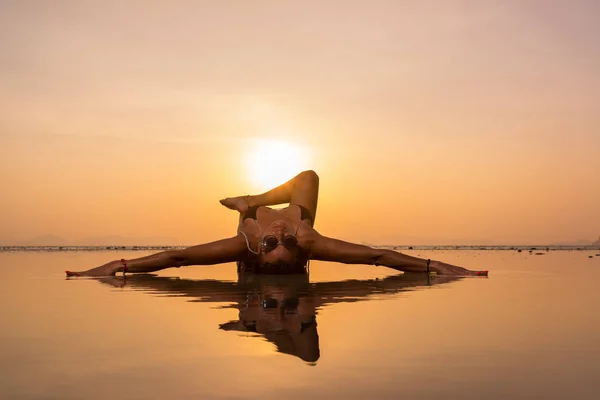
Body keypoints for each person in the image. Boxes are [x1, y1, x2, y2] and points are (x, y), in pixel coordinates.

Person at [65, 170, 488, 277]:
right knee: (308, 178)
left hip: (248, 215)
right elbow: (377, 256)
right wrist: (439, 268)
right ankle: (250, 199)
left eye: (271, 245)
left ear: (257, 250)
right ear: (302, 250)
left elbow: (175, 258)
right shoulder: (309, 238)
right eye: (283, 243)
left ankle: (245, 205)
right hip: (279, 211)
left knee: (256, 210)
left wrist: (109, 268)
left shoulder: (244, 245)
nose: (280, 235)